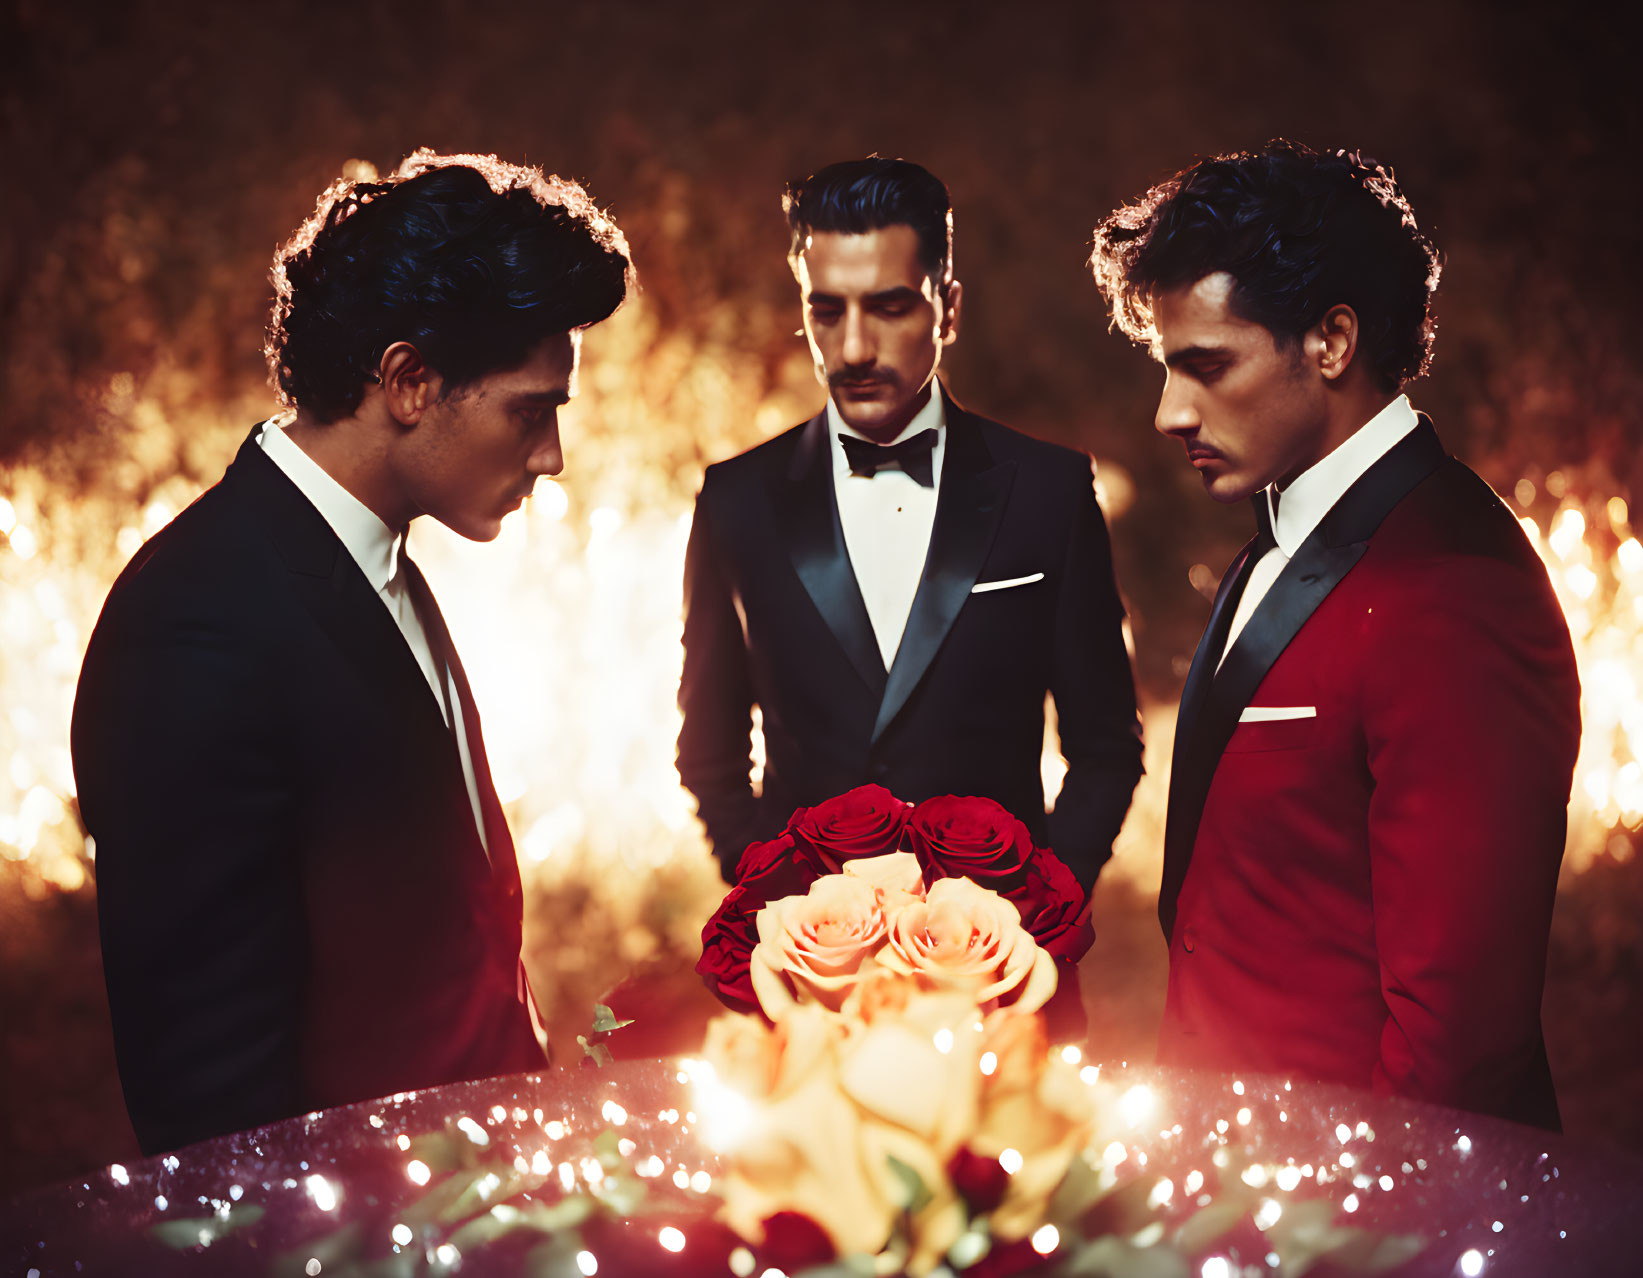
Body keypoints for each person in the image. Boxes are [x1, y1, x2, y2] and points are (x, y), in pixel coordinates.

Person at [71, 151, 632, 1154]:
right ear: (410, 381)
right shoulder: (197, 624)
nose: (550, 458)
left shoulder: (372, 561)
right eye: (530, 410)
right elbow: (214, 1110)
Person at [1090, 140, 1581, 1129]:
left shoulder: (1450, 588)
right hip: (1231, 1196)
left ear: (1330, 341)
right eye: (1163, 368)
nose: (1166, 411)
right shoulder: (1279, 540)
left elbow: (1457, 1045)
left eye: (1205, 365)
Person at [677, 157, 1143, 889]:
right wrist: (769, 899)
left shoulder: (1049, 491)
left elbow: (1106, 745)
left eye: (889, 307)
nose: (854, 349)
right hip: (809, 978)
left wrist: (1043, 905)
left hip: (1009, 973)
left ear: (947, 309)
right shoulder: (736, 500)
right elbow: (708, 750)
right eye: (826, 311)